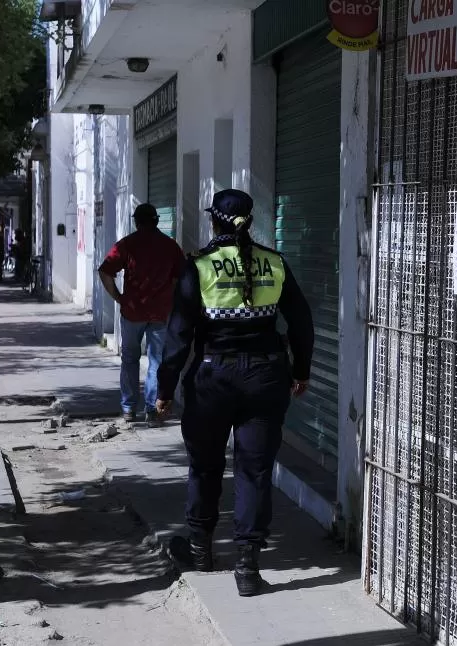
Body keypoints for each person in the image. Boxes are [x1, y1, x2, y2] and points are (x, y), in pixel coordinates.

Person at [155, 189, 314, 597]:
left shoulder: (200, 266)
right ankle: (247, 567)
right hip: (266, 377)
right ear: (251, 221)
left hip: (212, 379)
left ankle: (200, 551)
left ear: (214, 222)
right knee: (255, 471)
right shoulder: (274, 263)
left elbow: (178, 335)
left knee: (206, 466)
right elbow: (301, 323)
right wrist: (301, 371)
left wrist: (165, 389)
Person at [98, 203, 185, 424]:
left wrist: (119, 298)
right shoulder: (170, 246)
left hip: (132, 312)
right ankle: (152, 410)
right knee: (156, 361)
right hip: (160, 313)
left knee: (129, 359)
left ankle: (128, 409)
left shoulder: (128, 244)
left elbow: (105, 271)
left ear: (137, 222)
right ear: (156, 220)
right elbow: (178, 279)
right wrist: (166, 297)